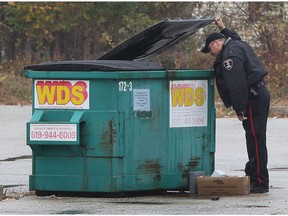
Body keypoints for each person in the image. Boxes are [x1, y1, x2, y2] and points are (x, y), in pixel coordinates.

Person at [201, 18, 270, 193]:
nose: (211, 53)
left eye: (210, 49)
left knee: (255, 139)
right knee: (254, 138)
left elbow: (237, 84)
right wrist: (223, 27)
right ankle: (254, 172)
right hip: (259, 94)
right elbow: (234, 36)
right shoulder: (236, 45)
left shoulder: (229, 56)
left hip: (252, 98)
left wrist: (239, 109)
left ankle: (260, 182)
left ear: (217, 43)